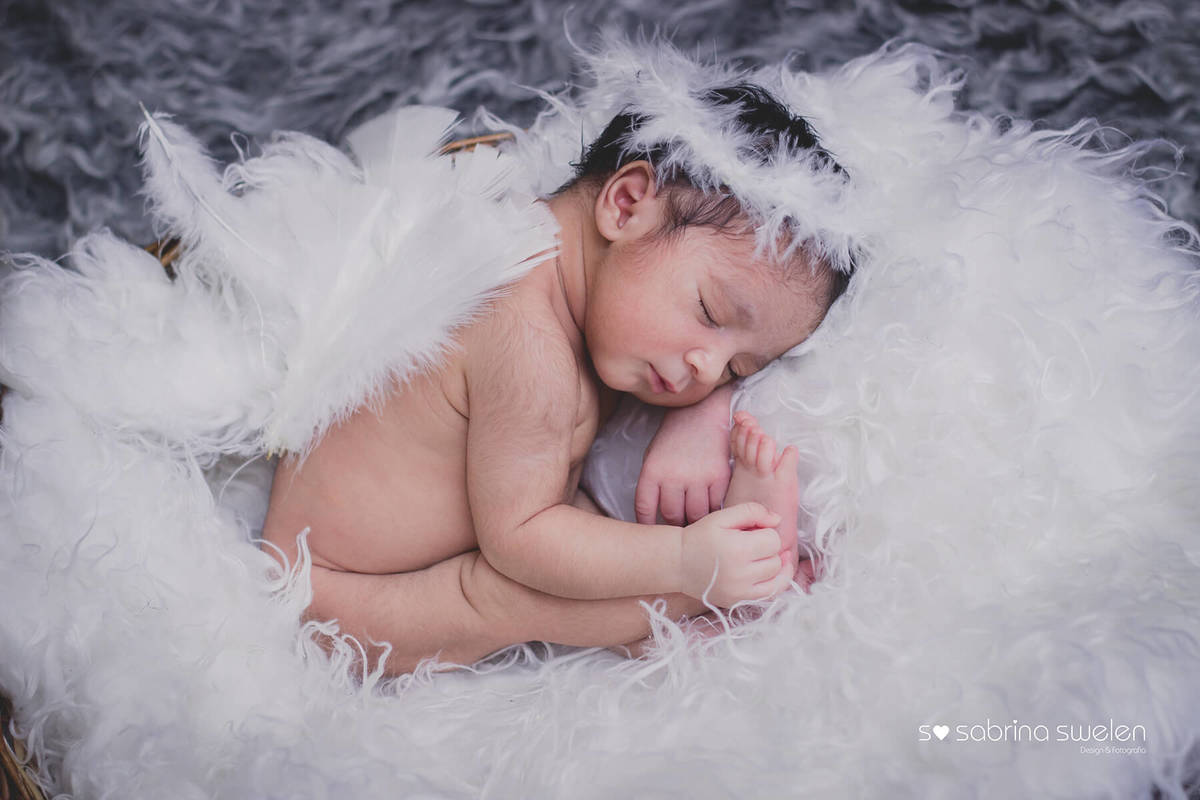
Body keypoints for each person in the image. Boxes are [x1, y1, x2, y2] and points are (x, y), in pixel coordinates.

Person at [260, 81, 850, 675]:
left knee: (588, 529)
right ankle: (696, 608)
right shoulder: (523, 337)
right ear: (624, 206)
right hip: (332, 599)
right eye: (711, 313)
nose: (709, 368)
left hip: (454, 546)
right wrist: (686, 561)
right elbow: (523, 543)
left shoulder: (583, 291)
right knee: (499, 594)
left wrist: (697, 417)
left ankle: (703, 592)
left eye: (738, 368)